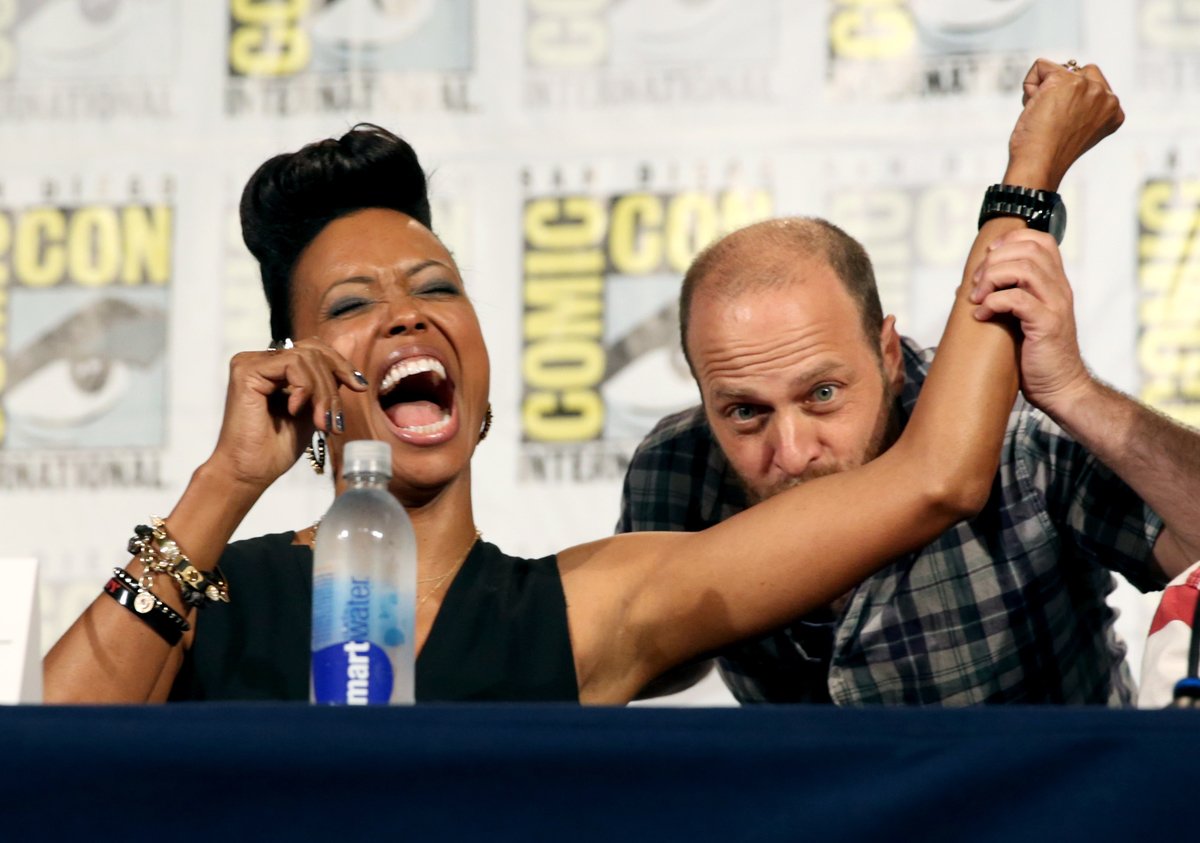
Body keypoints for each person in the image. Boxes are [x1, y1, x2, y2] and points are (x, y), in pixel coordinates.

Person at [43, 60, 1114, 706]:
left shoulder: (586, 608)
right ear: (297, 367)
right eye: (350, 305)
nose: (409, 313)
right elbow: (49, 750)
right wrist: (222, 485)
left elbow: (935, 475)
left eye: (436, 287)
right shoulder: (208, 590)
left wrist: (1027, 180)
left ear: (484, 360)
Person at [619, 64, 1199, 706]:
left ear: (888, 353)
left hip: (1051, 805)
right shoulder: (674, 464)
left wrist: (1074, 392)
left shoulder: (1020, 441)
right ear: (702, 396)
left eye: (822, 395)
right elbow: (637, 662)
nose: (791, 451)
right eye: (745, 412)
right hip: (819, 808)